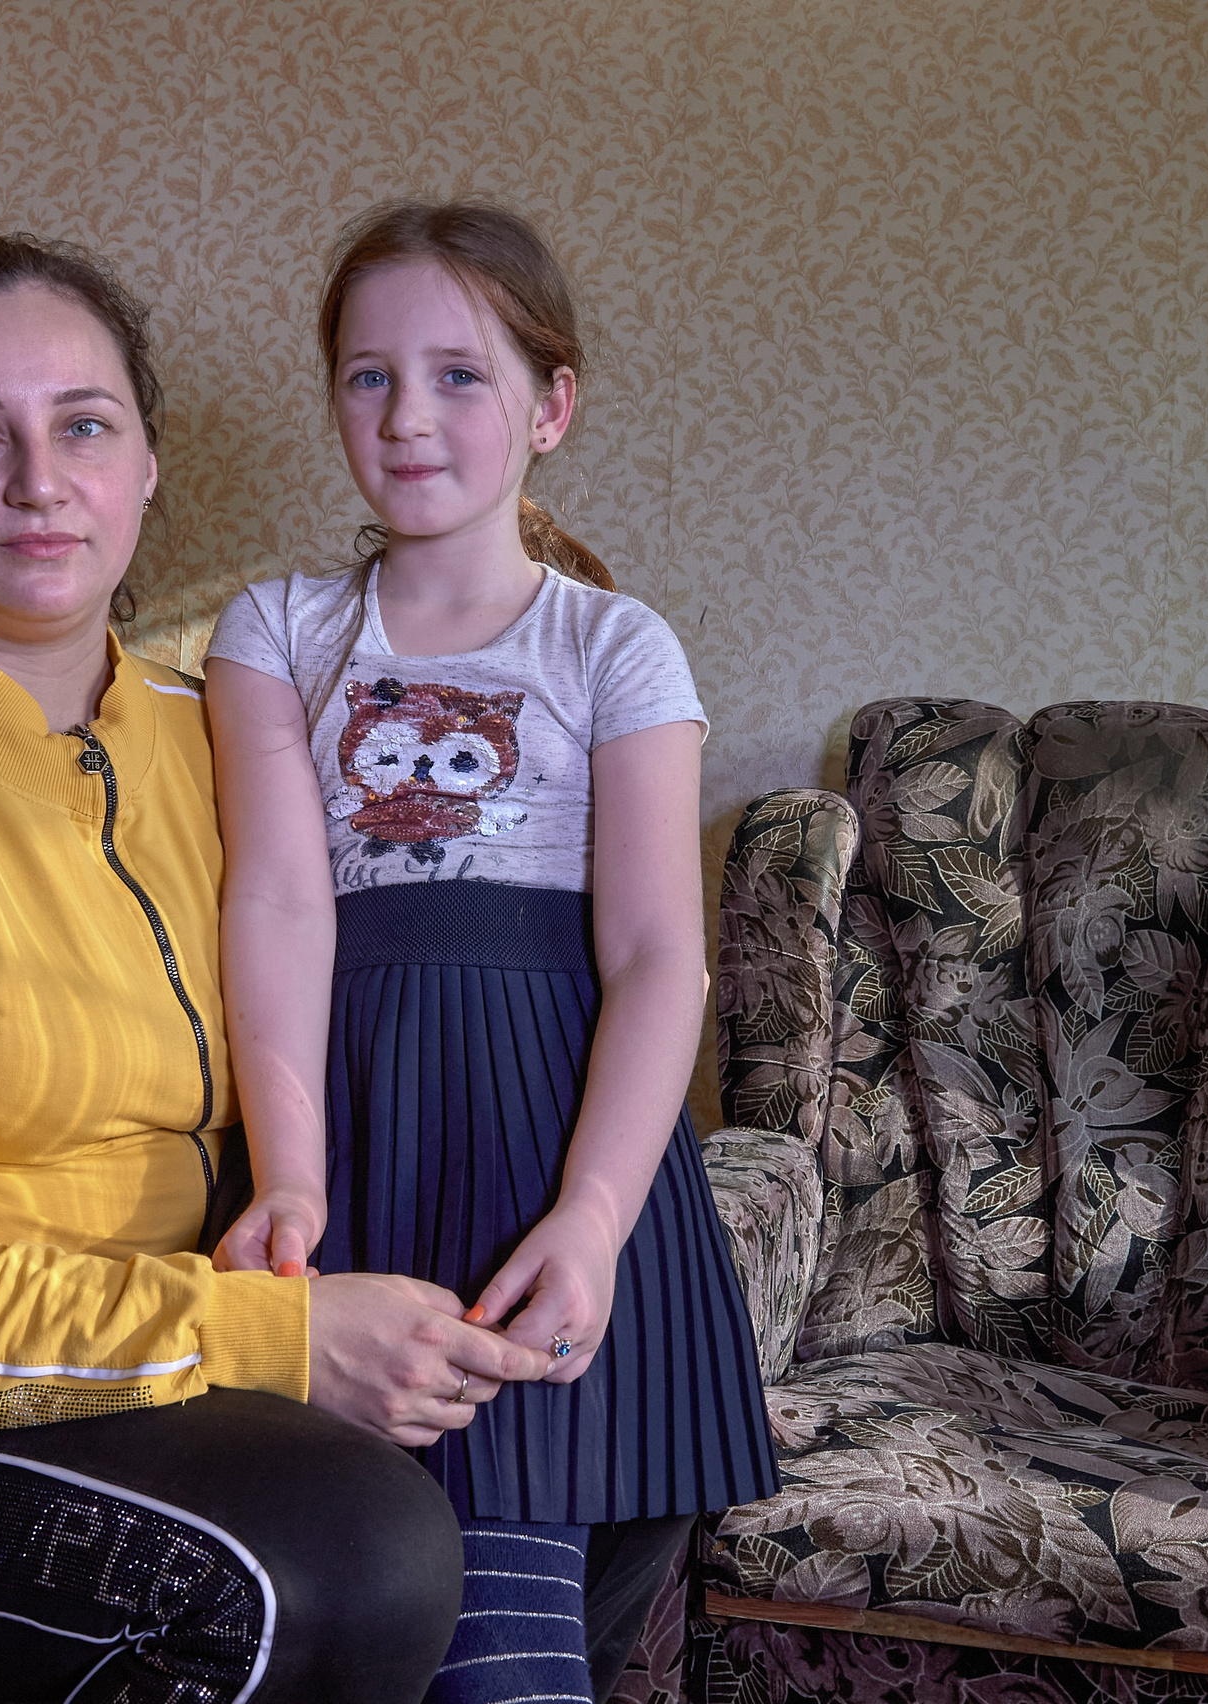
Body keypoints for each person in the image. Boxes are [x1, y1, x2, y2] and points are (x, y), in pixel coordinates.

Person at [0, 232, 553, 1704]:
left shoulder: (233, 736)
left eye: (83, 426)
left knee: (585, 1442)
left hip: (157, 1349)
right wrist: (270, 1337)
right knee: (360, 1558)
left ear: (143, 463)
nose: (38, 482)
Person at [203, 201, 781, 1704]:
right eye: (367, 377)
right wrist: (291, 1175)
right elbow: (274, 903)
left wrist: (592, 1218)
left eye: (460, 374)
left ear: (550, 408)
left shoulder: (615, 646)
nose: (407, 417)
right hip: (357, 1135)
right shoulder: (275, 629)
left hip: (553, 1154)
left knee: (505, 1607)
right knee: (384, 1598)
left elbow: (661, 953)